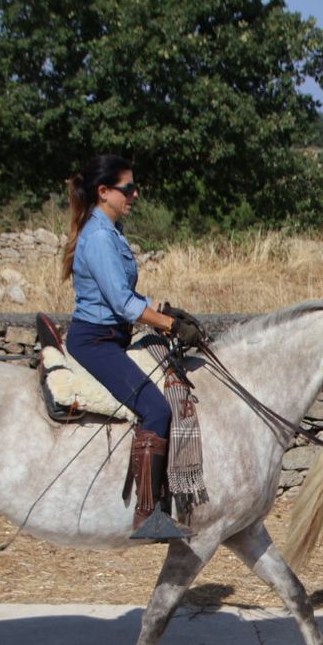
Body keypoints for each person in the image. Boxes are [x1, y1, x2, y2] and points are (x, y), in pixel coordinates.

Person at [62, 153, 203, 539]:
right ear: (104, 191)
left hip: (115, 335)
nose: (134, 194)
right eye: (127, 189)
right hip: (95, 342)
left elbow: (125, 295)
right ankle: (147, 514)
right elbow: (123, 305)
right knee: (155, 409)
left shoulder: (111, 230)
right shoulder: (99, 237)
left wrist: (164, 311)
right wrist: (170, 324)